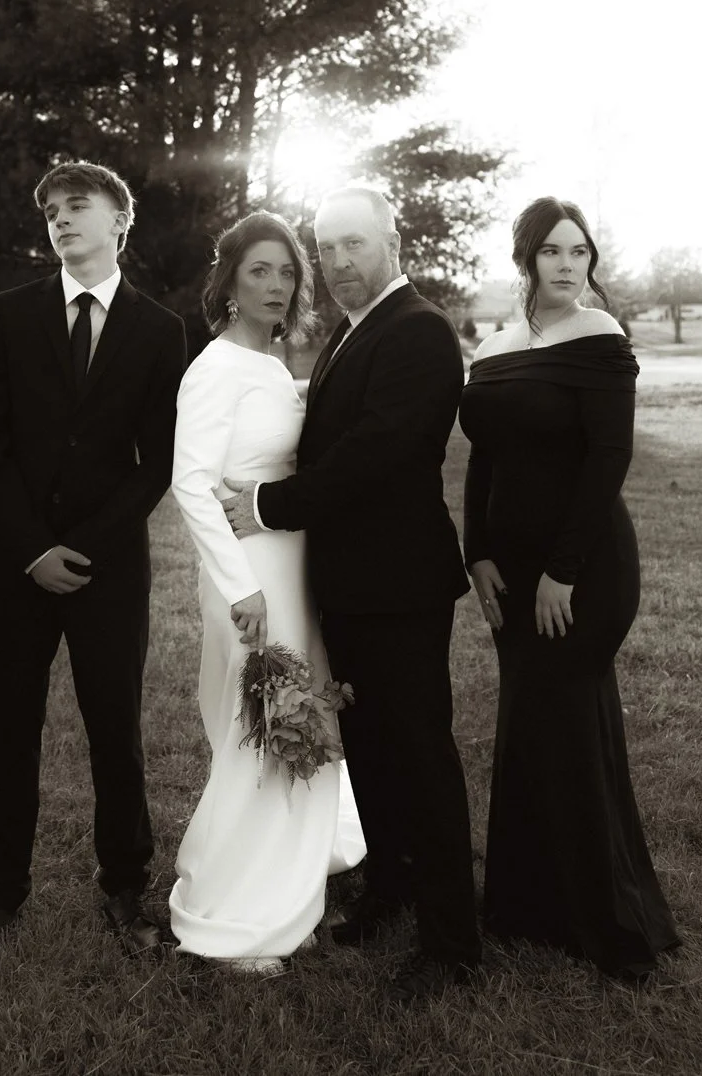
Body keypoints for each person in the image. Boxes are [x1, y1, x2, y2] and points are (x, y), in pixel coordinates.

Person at [223, 186, 480, 1001]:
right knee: (370, 745)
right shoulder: (349, 331)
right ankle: (391, 890)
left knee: (420, 752)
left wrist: (267, 506)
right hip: (352, 582)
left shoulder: (421, 332)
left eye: (353, 244)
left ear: (392, 241)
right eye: (325, 248)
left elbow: (375, 453)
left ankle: (451, 941)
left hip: (400, 582)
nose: (335, 262)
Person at [0, 162, 187, 965]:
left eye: (77, 206)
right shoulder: (11, 313)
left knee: (114, 731)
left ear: (122, 219)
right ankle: (0, 894)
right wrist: (32, 548)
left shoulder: (160, 329)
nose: (60, 219)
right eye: (51, 210)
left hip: (109, 568)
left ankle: (126, 886)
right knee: (10, 731)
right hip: (17, 564)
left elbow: (155, 462)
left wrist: (83, 546)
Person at [460, 196, 680, 982]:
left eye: (578, 252)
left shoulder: (600, 337)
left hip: (582, 570)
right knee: (532, 725)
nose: (565, 265)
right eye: (551, 251)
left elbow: (608, 459)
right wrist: (476, 554)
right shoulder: (496, 344)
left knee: (564, 725)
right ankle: (527, 908)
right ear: (526, 257)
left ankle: (608, 923)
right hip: (509, 575)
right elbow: (483, 459)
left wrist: (563, 571)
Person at [169, 212, 365, 975]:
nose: (276, 285)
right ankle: (240, 907)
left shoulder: (273, 363)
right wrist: (239, 585)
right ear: (229, 281)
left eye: (286, 272)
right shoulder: (214, 366)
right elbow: (188, 483)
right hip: (249, 579)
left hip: (292, 566)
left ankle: (289, 880)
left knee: (300, 723)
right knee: (264, 730)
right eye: (260, 270)